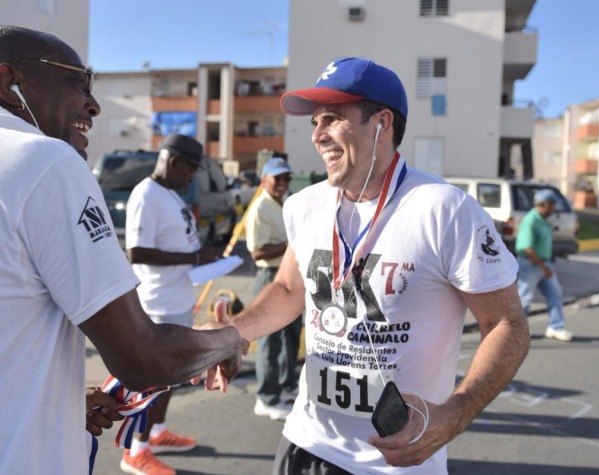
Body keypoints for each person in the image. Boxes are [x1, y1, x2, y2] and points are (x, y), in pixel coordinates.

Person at [0, 26, 245, 475]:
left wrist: (57, 397)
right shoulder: (46, 162)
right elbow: (142, 358)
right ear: (8, 83)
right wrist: (229, 341)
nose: (93, 104)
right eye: (78, 81)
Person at [209, 57, 530, 473]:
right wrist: (232, 334)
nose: (318, 135)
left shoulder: (444, 209)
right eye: (314, 123)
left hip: (397, 458)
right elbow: (290, 291)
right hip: (306, 443)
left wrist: (454, 414)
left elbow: (508, 325)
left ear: (382, 123)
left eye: (333, 118)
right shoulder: (304, 206)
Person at [122, 133, 223, 475]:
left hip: (176, 297)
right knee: (155, 380)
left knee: (170, 379)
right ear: (174, 161)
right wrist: (194, 256)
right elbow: (136, 252)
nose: (191, 178)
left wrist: (202, 259)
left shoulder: (168, 194)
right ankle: (136, 452)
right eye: (190, 170)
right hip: (157, 303)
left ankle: (158, 433)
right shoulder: (146, 194)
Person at [245, 157, 303, 421]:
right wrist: (292, 243)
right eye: (277, 178)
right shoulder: (260, 208)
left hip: (291, 275)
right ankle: (266, 397)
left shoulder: (286, 202)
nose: (282, 183)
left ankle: (286, 385)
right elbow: (257, 252)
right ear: (264, 180)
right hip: (271, 275)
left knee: (291, 336)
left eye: (286, 178)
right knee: (270, 339)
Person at [516, 189, 573, 341]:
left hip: (543, 264)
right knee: (525, 299)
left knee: (555, 294)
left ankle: (556, 327)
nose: (554, 208)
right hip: (531, 264)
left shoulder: (543, 219)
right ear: (545, 204)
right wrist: (542, 267)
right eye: (552, 205)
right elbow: (527, 247)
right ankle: (515, 331)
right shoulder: (531, 220)